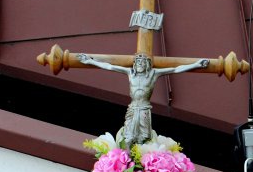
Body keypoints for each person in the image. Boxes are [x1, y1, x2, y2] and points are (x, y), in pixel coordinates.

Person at [78, 53, 208, 146]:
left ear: (147, 65)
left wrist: (196, 64)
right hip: (133, 108)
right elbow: (109, 67)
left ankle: (140, 165)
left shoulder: (153, 74)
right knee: (128, 137)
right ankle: (126, 163)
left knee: (143, 139)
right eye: (138, 62)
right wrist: (90, 61)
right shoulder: (130, 73)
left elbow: (175, 69)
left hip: (145, 109)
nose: (140, 64)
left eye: (143, 62)